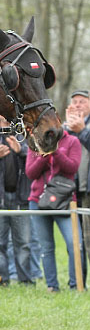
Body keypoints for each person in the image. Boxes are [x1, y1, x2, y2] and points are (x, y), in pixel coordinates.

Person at [26, 127, 82, 291]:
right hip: (38, 200)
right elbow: (30, 173)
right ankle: (52, 286)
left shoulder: (72, 141)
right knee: (46, 246)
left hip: (65, 201)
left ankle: (75, 285)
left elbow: (72, 167)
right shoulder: (34, 143)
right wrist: (44, 156)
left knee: (74, 243)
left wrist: (55, 152)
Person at [0, 115, 34, 285]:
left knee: (24, 243)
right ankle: (2, 281)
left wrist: (22, 151)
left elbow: (38, 157)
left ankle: (25, 281)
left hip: (21, 197)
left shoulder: (23, 131)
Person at [65, 89, 90, 273]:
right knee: (76, 240)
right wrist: (65, 130)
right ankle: (79, 283)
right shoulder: (66, 128)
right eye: (75, 102)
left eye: (82, 101)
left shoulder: (83, 128)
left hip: (88, 191)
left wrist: (83, 131)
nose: (78, 105)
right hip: (71, 190)